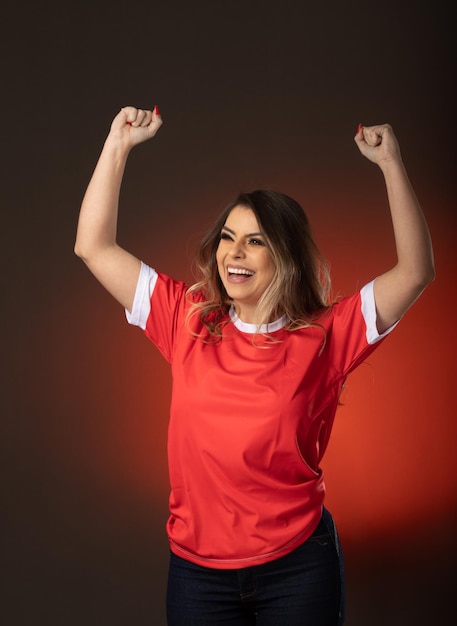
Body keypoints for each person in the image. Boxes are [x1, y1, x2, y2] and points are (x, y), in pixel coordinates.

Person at [74, 105, 435, 626]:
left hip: (298, 568)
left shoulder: (327, 336)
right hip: (198, 575)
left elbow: (417, 270)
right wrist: (118, 144)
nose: (233, 253)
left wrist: (391, 164)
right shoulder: (186, 317)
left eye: (255, 240)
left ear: (284, 255)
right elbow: (93, 245)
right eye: (227, 236)